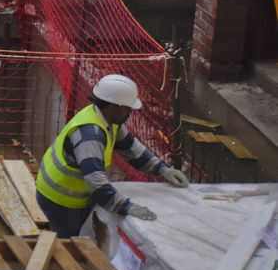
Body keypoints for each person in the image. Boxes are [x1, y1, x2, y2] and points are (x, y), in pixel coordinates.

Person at [34, 73, 190, 238]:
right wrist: (125, 206)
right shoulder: (90, 135)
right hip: (61, 200)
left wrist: (162, 169)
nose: (130, 112)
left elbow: (132, 150)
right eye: (127, 107)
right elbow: (95, 179)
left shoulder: (108, 121)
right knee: (66, 247)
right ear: (113, 107)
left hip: (72, 196)